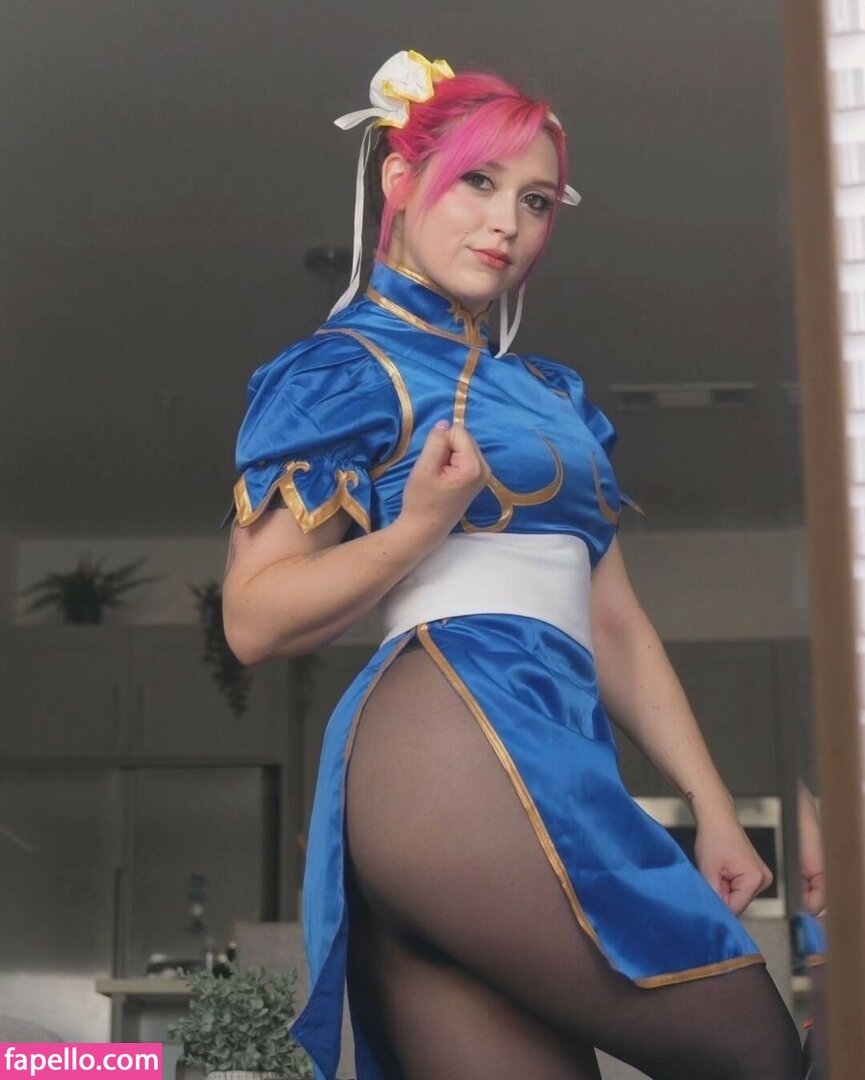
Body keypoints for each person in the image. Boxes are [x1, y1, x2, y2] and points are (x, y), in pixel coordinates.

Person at [221, 50, 811, 1080]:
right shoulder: (342, 368)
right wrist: (417, 529)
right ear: (400, 181)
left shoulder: (549, 393)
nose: (506, 223)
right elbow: (252, 621)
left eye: (534, 201)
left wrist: (712, 807)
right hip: (450, 745)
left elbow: (613, 623)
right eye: (478, 184)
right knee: (756, 1053)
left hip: (539, 739)